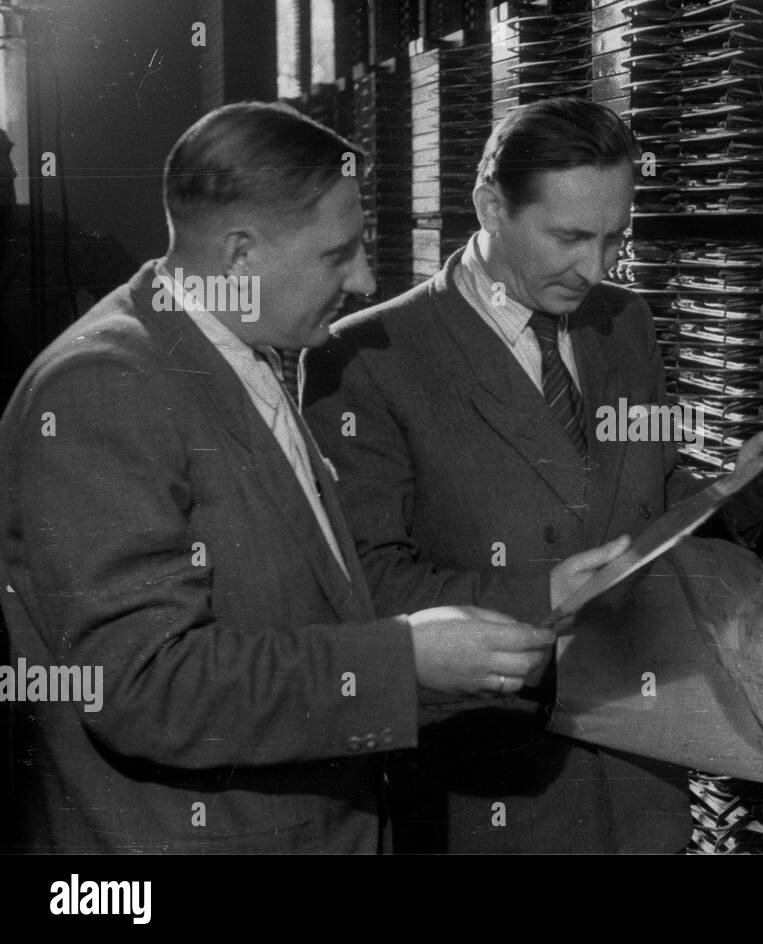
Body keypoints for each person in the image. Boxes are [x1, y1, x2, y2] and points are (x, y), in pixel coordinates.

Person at [0, 102, 555, 853]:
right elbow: (138, 685)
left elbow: (306, 593)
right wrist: (402, 662)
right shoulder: (105, 384)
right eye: (339, 254)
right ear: (239, 256)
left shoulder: (239, 347)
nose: (363, 279)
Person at [303, 97, 763, 853]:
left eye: (614, 238)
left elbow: (649, 498)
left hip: (647, 782)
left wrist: (733, 495)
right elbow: (364, 587)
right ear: (490, 206)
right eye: (569, 236)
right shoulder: (367, 357)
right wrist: (544, 595)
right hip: (491, 796)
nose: (595, 267)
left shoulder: (625, 322)